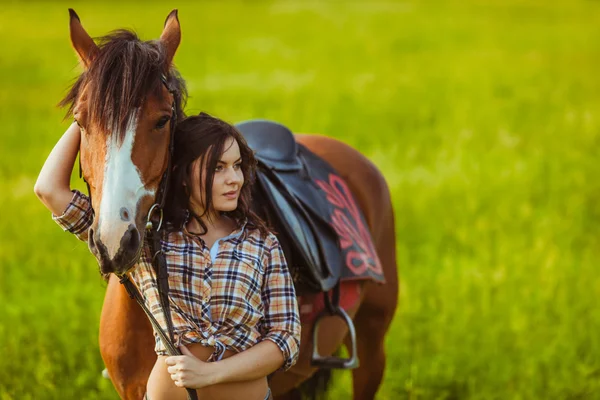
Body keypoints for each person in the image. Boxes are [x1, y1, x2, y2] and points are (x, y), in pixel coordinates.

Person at [34, 112, 301, 400]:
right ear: (182, 174)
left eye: (237, 166)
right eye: (218, 168)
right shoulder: (150, 243)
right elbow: (49, 189)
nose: (234, 179)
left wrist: (210, 374)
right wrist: (91, 113)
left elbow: (285, 338)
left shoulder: (263, 244)